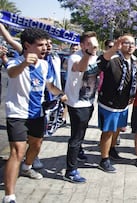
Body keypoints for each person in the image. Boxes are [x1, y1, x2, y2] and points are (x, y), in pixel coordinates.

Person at [3, 28, 67, 203]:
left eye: (45, 45)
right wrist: (24, 63)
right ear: (27, 45)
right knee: (17, 151)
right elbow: (12, 73)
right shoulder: (15, 62)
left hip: (37, 113)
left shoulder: (44, 64)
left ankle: (27, 167)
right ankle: (9, 196)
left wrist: (60, 93)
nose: (44, 49)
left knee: (37, 145)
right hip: (17, 113)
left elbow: (48, 85)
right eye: (40, 45)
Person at [96, 35, 137, 172]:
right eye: (127, 43)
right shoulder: (113, 57)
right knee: (108, 131)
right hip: (109, 102)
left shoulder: (134, 60)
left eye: (133, 43)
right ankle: (104, 159)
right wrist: (114, 48)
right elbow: (101, 62)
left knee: (118, 129)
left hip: (123, 103)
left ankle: (112, 150)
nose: (130, 45)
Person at [63, 31, 99, 183]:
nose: (94, 47)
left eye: (95, 44)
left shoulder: (95, 57)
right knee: (76, 138)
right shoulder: (75, 57)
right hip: (76, 104)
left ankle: (78, 152)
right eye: (90, 44)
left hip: (89, 102)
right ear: (83, 45)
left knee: (81, 135)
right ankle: (70, 170)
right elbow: (81, 68)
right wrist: (89, 53)